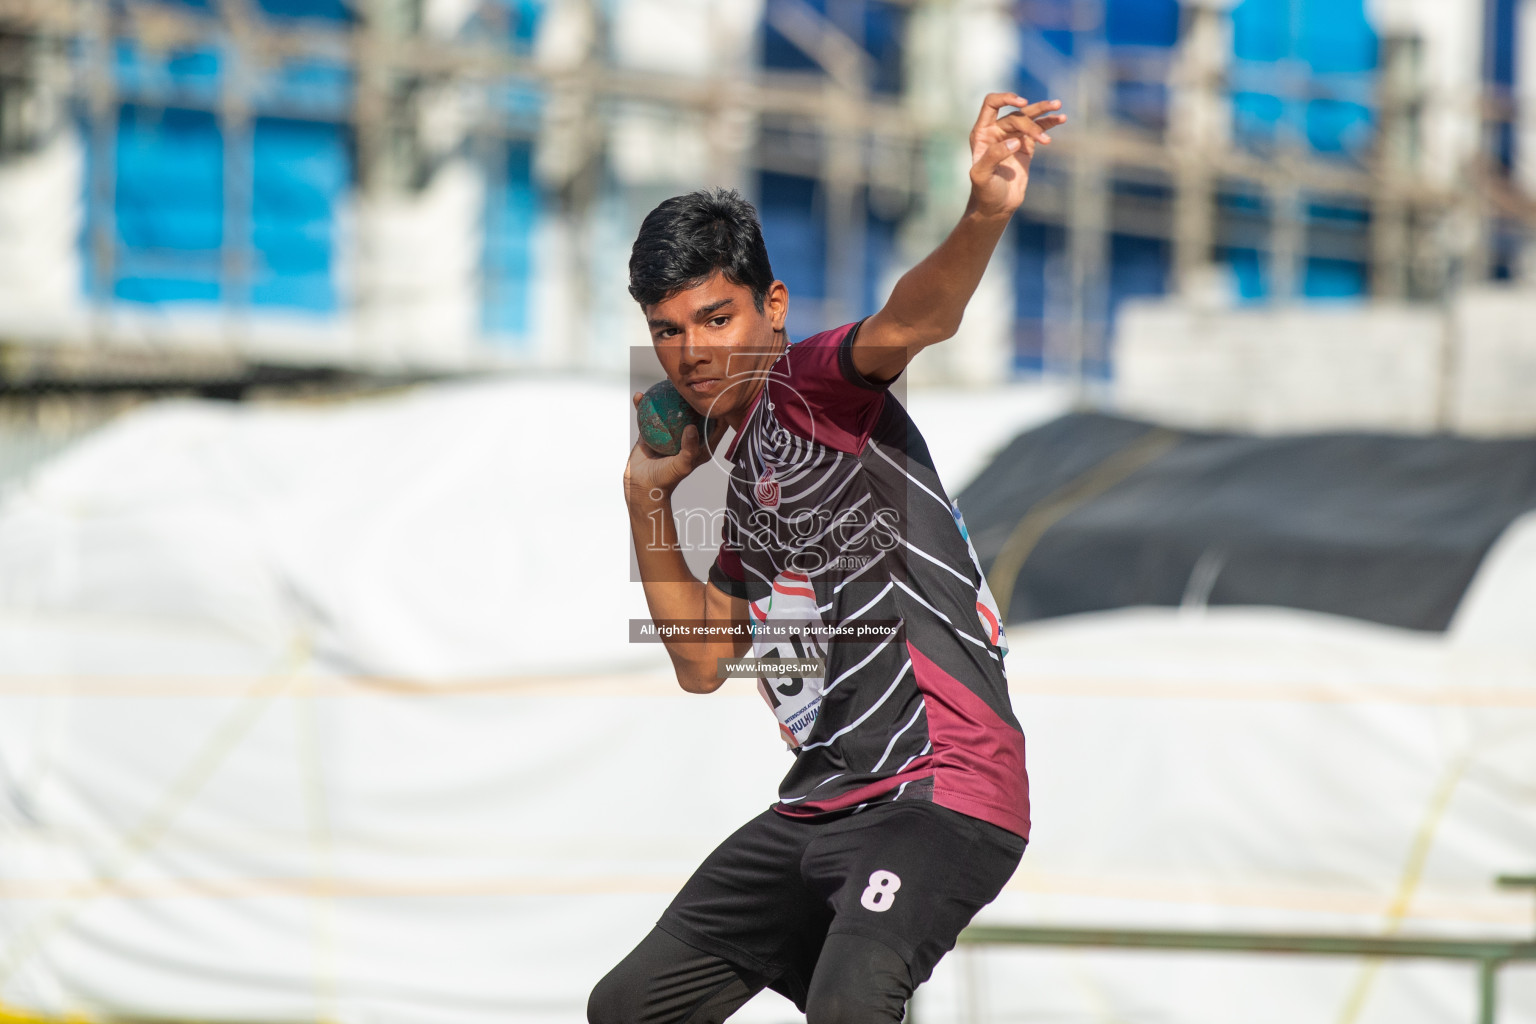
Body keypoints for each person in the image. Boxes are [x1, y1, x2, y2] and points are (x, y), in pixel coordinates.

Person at [593, 93, 1066, 1024]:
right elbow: (699, 662)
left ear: (772, 309)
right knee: (631, 1008)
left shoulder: (812, 389)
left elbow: (910, 324)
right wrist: (648, 495)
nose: (690, 354)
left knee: (850, 1005)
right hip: (819, 808)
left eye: (715, 319)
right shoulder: (740, 496)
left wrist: (984, 213)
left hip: (938, 791)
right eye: (668, 330)